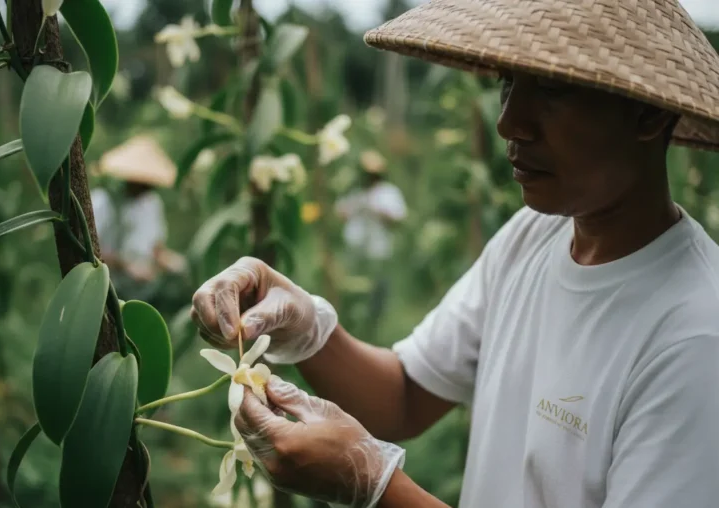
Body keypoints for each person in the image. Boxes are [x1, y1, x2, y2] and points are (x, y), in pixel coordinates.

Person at [191, 1, 719, 507]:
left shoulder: (694, 337)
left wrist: (376, 485)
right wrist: (308, 330)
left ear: (647, 114)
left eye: (554, 89)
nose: (509, 123)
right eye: (508, 83)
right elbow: (404, 395)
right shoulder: (534, 236)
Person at [91, 134, 186, 302]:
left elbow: (156, 248)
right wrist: (127, 266)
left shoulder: (152, 204)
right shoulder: (102, 202)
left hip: (145, 286)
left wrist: (170, 262)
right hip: (110, 284)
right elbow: (92, 250)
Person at [335, 150, 408, 336]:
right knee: (354, 290)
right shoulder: (355, 193)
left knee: (377, 291)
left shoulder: (388, 192)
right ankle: (353, 325)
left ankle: (373, 328)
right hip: (356, 250)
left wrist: (377, 210)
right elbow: (341, 214)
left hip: (379, 250)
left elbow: (398, 218)